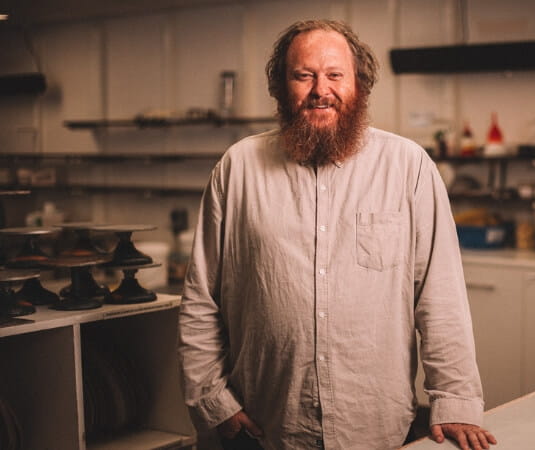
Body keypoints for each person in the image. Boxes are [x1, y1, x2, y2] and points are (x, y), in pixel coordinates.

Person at [178, 19, 497, 450]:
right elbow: (201, 298)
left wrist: (456, 400)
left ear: (359, 85)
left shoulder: (408, 167)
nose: (319, 90)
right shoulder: (238, 168)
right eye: (303, 75)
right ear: (280, 86)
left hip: (375, 426)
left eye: (334, 75)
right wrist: (213, 401)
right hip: (264, 425)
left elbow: (440, 297)